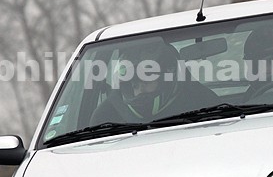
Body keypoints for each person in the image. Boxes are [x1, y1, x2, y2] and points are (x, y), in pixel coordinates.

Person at [90, 42, 218, 124]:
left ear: (168, 78)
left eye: (146, 81)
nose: (139, 90)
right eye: (134, 84)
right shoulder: (106, 115)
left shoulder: (204, 104)